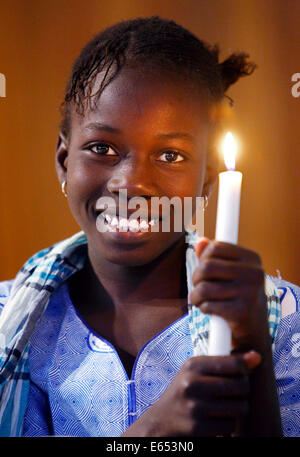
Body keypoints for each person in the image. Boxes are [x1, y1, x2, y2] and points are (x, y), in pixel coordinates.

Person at [0, 16, 299, 438]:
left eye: (170, 155)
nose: (131, 183)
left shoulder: (285, 320)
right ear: (64, 160)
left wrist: (253, 351)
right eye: (102, 148)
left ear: (208, 177)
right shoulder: (7, 322)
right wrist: (149, 434)